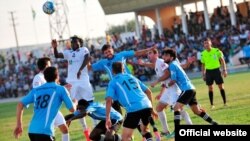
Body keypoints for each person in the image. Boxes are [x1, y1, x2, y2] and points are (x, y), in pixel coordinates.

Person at [161, 49, 218, 136]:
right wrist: (188, 62)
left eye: (166, 55)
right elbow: (183, 67)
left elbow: (173, 80)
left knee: (176, 108)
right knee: (197, 111)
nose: (163, 57)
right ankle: (214, 123)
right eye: (163, 55)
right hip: (191, 88)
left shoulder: (172, 65)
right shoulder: (175, 63)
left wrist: (166, 85)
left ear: (171, 57)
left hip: (187, 89)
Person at [138, 48, 192, 137]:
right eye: (147, 54)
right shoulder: (157, 63)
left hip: (173, 89)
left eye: (150, 53)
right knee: (159, 108)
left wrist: (156, 81)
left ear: (156, 54)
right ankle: (166, 131)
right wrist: (161, 93)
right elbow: (153, 66)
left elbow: (168, 74)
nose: (148, 55)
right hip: (167, 89)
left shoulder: (160, 62)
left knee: (178, 109)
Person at [13, 67, 75, 141]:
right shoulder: (60, 89)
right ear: (57, 76)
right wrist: (75, 102)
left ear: (45, 77)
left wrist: (19, 124)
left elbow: (20, 104)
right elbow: (72, 109)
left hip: (32, 131)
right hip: (45, 132)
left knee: (64, 130)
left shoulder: (36, 90)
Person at [51, 35, 94, 141]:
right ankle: (85, 131)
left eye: (75, 41)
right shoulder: (68, 53)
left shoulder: (84, 49)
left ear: (80, 42)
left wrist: (80, 70)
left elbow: (87, 58)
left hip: (83, 81)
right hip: (72, 82)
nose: (73, 43)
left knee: (90, 105)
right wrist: (55, 47)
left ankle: (96, 127)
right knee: (76, 107)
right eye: (72, 42)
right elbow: (57, 55)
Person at [105, 62, 158, 141]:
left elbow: (109, 100)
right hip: (147, 105)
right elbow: (149, 92)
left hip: (133, 109)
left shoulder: (113, 82)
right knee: (144, 130)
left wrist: (108, 118)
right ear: (123, 69)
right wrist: (152, 109)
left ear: (112, 71)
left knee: (126, 137)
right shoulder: (131, 77)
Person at [32, 57, 70, 141]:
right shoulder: (38, 77)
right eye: (49, 64)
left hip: (53, 108)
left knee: (64, 129)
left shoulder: (48, 76)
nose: (51, 66)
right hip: (45, 110)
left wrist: (63, 87)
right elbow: (37, 92)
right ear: (46, 66)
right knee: (50, 133)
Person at [201, 37, 227, 109]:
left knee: (221, 87)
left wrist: (224, 70)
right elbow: (203, 65)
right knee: (210, 88)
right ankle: (212, 105)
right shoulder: (203, 54)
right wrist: (203, 74)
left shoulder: (217, 51)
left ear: (210, 43)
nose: (206, 45)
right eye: (205, 43)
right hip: (208, 72)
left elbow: (222, 61)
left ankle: (225, 103)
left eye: (207, 43)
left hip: (217, 71)